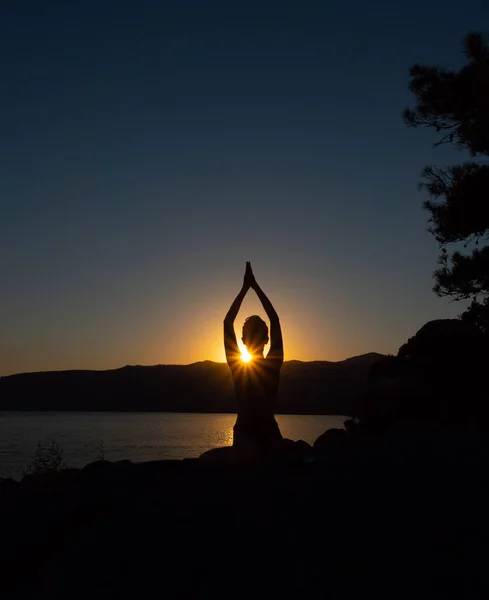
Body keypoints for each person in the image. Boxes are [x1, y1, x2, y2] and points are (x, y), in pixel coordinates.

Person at [224, 262, 284, 457]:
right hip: (262, 435)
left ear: (242, 341)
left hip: (250, 436)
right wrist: (254, 286)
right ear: (267, 339)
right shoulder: (273, 363)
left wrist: (245, 289)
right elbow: (274, 319)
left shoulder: (237, 366)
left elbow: (227, 322)